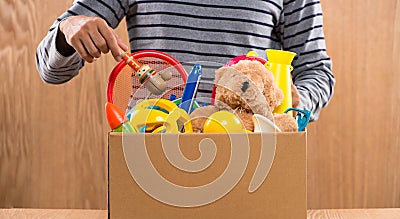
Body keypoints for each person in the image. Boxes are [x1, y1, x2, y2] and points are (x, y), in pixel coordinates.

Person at [36, 0, 335, 120]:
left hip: (252, 157)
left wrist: (297, 102)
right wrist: (67, 30)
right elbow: (50, 70)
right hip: (152, 154)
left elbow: (317, 71)